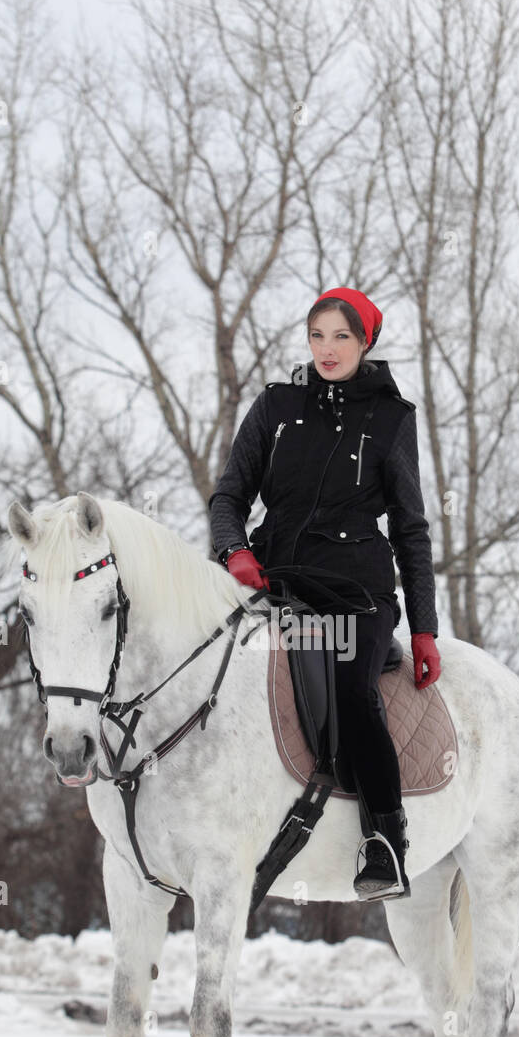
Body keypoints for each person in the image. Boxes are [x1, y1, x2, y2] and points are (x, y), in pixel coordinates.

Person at [208, 286, 441, 899]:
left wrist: (423, 627)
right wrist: (234, 550)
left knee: (349, 683)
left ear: (364, 342)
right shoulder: (276, 407)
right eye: (317, 336)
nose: (327, 349)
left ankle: (384, 839)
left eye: (341, 336)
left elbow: (411, 529)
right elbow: (229, 496)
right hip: (272, 577)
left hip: (354, 592)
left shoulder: (392, 420)